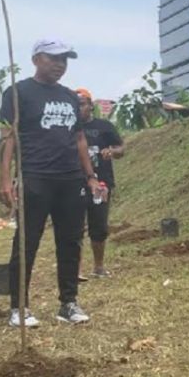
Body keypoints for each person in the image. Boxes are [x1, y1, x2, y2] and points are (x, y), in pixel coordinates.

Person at [0, 38, 104, 327]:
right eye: (54, 58)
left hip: (70, 179)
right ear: (36, 59)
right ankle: (19, 307)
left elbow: (79, 138)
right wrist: (6, 178)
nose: (60, 65)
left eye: (64, 60)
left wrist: (90, 176)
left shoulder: (71, 97)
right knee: (26, 242)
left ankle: (68, 303)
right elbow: (8, 135)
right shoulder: (18, 93)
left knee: (70, 242)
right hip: (36, 177)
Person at [75, 87, 124, 280]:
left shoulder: (104, 126)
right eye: (76, 105)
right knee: (74, 226)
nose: (79, 109)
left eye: (82, 105)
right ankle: (76, 270)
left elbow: (121, 148)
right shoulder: (68, 128)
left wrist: (112, 151)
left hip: (101, 184)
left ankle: (98, 266)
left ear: (90, 106)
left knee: (99, 225)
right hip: (74, 183)